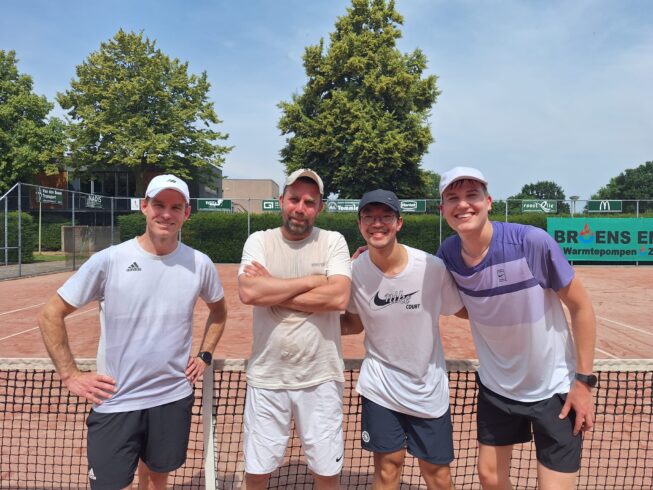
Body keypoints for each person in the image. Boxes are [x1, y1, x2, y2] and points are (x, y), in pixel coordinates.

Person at [38, 174, 228, 490]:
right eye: (159, 204)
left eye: (175, 207)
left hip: (172, 397)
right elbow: (50, 314)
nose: (166, 214)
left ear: (186, 213)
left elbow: (219, 312)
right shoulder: (110, 260)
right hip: (116, 400)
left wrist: (204, 355)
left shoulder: (200, 263)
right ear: (144, 206)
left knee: (157, 477)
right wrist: (70, 374)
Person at [436, 166, 597, 490]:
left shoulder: (531, 242)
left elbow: (581, 307)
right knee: (490, 477)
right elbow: (460, 303)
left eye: (472, 195)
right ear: (442, 209)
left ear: (488, 202)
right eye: (452, 198)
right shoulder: (448, 255)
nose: (463, 204)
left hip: (555, 388)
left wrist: (583, 383)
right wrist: (376, 253)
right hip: (497, 388)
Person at [340, 189, 464, 490]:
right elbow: (353, 324)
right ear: (359, 224)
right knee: (387, 469)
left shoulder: (431, 268)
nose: (377, 223)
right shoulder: (353, 272)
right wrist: (307, 318)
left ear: (399, 223)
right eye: (369, 217)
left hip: (427, 389)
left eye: (385, 216)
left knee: (437, 474)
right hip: (380, 386)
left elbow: (460, 309)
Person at [238, 168, 351, 490]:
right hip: (267, 376)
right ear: (281, 201)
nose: (300, 208)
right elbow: (249, 293)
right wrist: (314, 281)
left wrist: (273, 287)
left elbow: (338, 297)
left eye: (309, 202)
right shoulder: (259, 241)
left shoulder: (333, 241)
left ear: (320, 208)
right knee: (256, 472)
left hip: (321, 377)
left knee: (326, 473)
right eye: (294, 199)